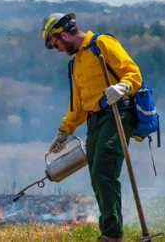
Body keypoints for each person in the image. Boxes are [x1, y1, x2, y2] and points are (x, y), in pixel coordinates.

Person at [41, 13, 142, 242]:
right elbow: (78, 104)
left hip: (117, 114)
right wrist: (65, 130)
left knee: (103, 171)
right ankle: (110, 230)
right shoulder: (76, 63)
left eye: (56, 44)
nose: (58, 49)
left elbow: (132, 71)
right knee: (95, 177)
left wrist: (123, 86)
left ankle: (112, 235)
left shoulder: (102, 43)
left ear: (64, 34)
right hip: (95, 122)